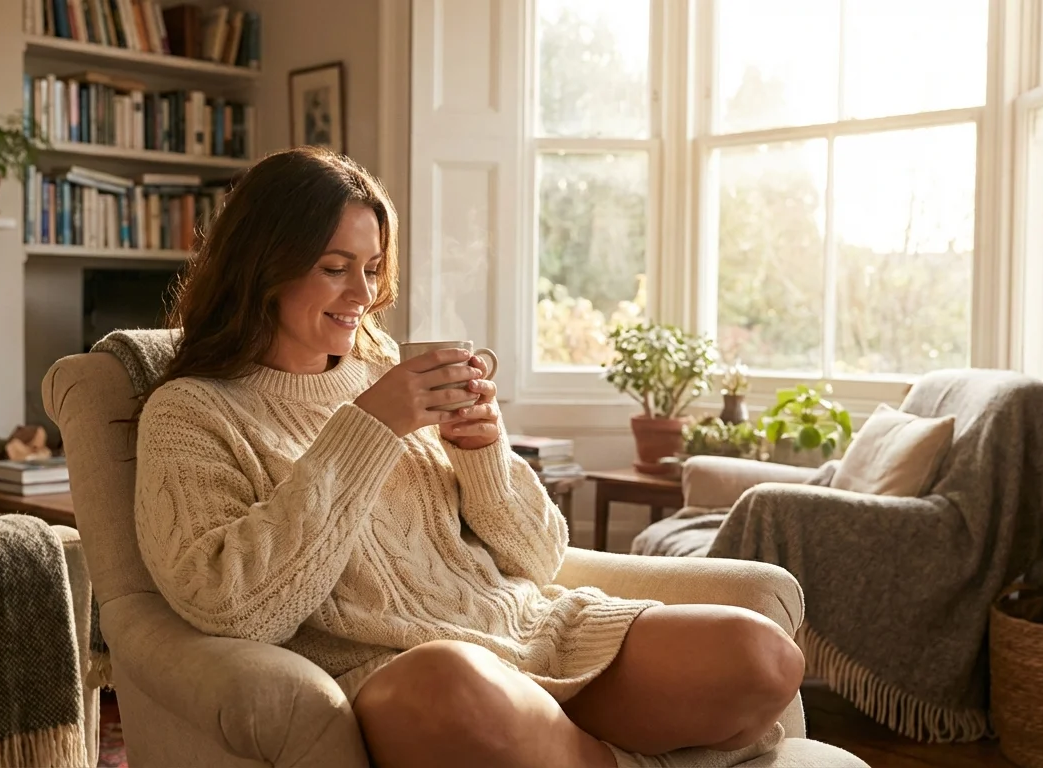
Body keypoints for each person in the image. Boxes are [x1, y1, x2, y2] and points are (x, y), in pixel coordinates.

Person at [133, 146, 805, 768]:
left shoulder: (388, 373)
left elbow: (540, 557)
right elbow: (235, 610)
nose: (363, 296)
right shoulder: (191, 411)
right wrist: (368, 429)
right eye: (335, 269)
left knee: (763, 655)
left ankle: (564, 751)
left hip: (527, 631)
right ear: (260, 267)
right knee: (450, 683)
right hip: (410, 678)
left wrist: (484, 452)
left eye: (371, 270)